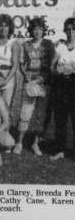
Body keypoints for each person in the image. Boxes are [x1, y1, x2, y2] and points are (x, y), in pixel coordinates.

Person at [14, 18, 54, 155]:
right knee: (25, 112)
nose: (37, 32)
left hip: (44, 82)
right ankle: (19, 142)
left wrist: (45, 76)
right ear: (31, 30)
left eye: (40, 29)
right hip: (30, 81)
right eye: (35, 29)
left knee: (40, 115)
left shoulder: (49, 44)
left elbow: (52, 65)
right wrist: (25, 74)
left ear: (44, 30)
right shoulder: (25, 44)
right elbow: (21, 64)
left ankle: (35, 144)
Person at [49, 18, 75, 160]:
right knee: (60, 118)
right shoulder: (60, 47)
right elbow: (51, 67)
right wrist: (58, 72)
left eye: (73, 29)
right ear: (65, 31)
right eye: (68, 29)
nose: (71, 32)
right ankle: (60, 149)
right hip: (61, 85)